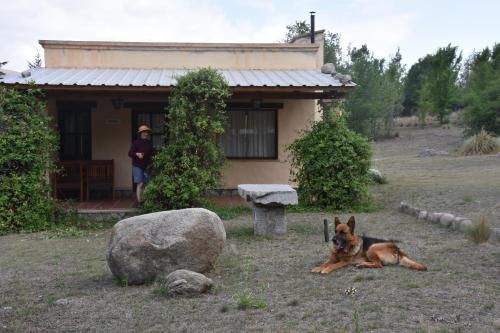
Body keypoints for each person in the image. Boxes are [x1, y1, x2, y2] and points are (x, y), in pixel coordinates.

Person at [128, 125, 156, 203]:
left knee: (147, 184)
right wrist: (137, 154)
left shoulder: (149, 143)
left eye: (147, 132)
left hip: (147, 166)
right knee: (140, 183)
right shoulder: (136, 143)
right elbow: (130, 153)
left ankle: (145, 200)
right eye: (144, 132)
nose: (146, 134)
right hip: (137, 166)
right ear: (140, 133)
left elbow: (153, 152)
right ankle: (140, 201)